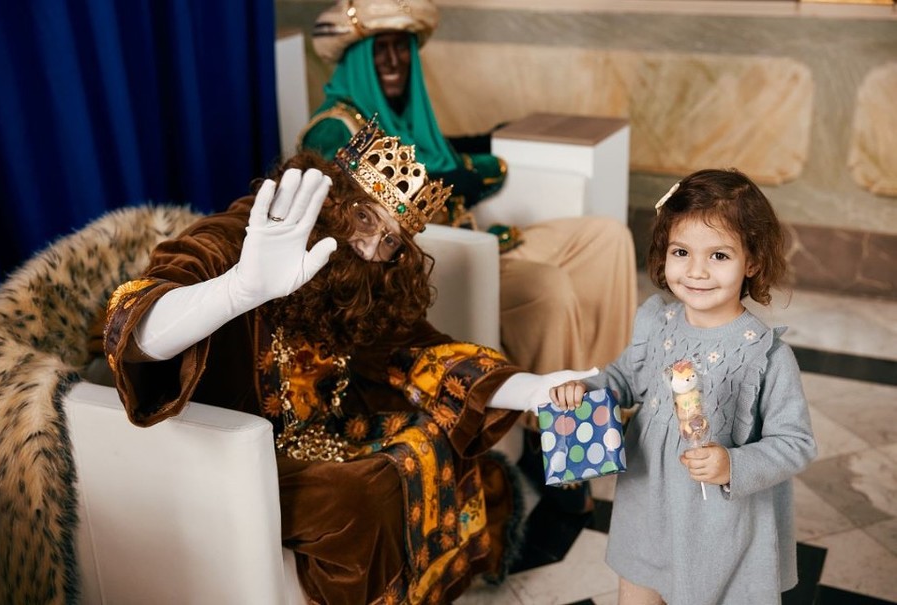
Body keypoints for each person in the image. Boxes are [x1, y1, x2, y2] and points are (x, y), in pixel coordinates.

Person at [103, 119, 597, 605]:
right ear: (335, 198)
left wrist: (534, 389)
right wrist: (238, 290)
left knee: (438, 431)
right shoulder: (248, 235)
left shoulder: (367, 277)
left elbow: (422, 353)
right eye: (364, 218)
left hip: (326, 428)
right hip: (233, 450)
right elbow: (134, 324)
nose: (370, 246)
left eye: (390, 241)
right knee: (364, 497)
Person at [302, 0, 637, 375]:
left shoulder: (399, 117)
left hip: (479, 238)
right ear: (357, 58)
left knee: (608, 237)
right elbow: (352, 231)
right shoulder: (335, 129)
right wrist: (465, 178)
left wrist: (486, 148)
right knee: (547, 288)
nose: (394, 61)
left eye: (402, 48)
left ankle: (608, 383)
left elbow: (438, 153)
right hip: (436, 264)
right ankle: (559, 407)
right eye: (380, 49)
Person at [548, 168, 818, 605]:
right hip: (648, 503)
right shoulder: (657, 322)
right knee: (637, 587)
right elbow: (624, 379)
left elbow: (796, 443)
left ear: (752, 262)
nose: (696, 271)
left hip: (719, 523)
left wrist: (733, 465)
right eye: (681, 252)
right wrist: (585, 388)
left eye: (719, 256)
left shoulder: (764, 354)